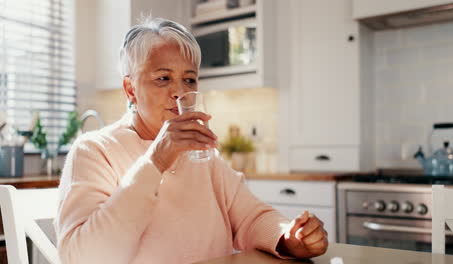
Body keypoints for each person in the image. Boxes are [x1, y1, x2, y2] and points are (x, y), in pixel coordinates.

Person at [55, 17, 328, 264]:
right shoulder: (95, 150)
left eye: (189, 80)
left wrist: (289, 238)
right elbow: (84, 257)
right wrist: (155, 160)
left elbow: (251, 217)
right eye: (163, 78)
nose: (180, 92)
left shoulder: (203, 155)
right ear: (131, 89)